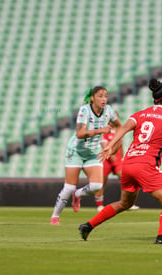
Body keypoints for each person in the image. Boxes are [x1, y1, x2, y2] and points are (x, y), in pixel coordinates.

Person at [78, 78, 162, 244]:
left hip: (128, 164)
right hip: (146, 165)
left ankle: (88, 225)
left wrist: (110, 147)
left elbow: (123, 129)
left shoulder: (139, 115)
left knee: (125, 203)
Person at [50, 86, 122, 225]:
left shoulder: (109, 111)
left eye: (105, 96)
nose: (104, 99)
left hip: (93, 152)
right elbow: (80, 134)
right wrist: (101, 130)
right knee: (69, 187)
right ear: (93, 98)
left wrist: (113, 144)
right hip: (76, 151)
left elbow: (120, 127)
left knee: (96, 186)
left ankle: (77, 195)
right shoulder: (85, 110)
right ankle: (55, 216)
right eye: (100, 96)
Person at [95, 111, 140, 212]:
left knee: (127, 178)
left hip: (118, 160)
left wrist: (122, 157)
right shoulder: (105, 131)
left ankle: (128, 203)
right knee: (101, 182)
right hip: (106, 160)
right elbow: (104, 145)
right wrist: (111, 156)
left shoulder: (119, 130)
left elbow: (121, 145)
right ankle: (99, 205)